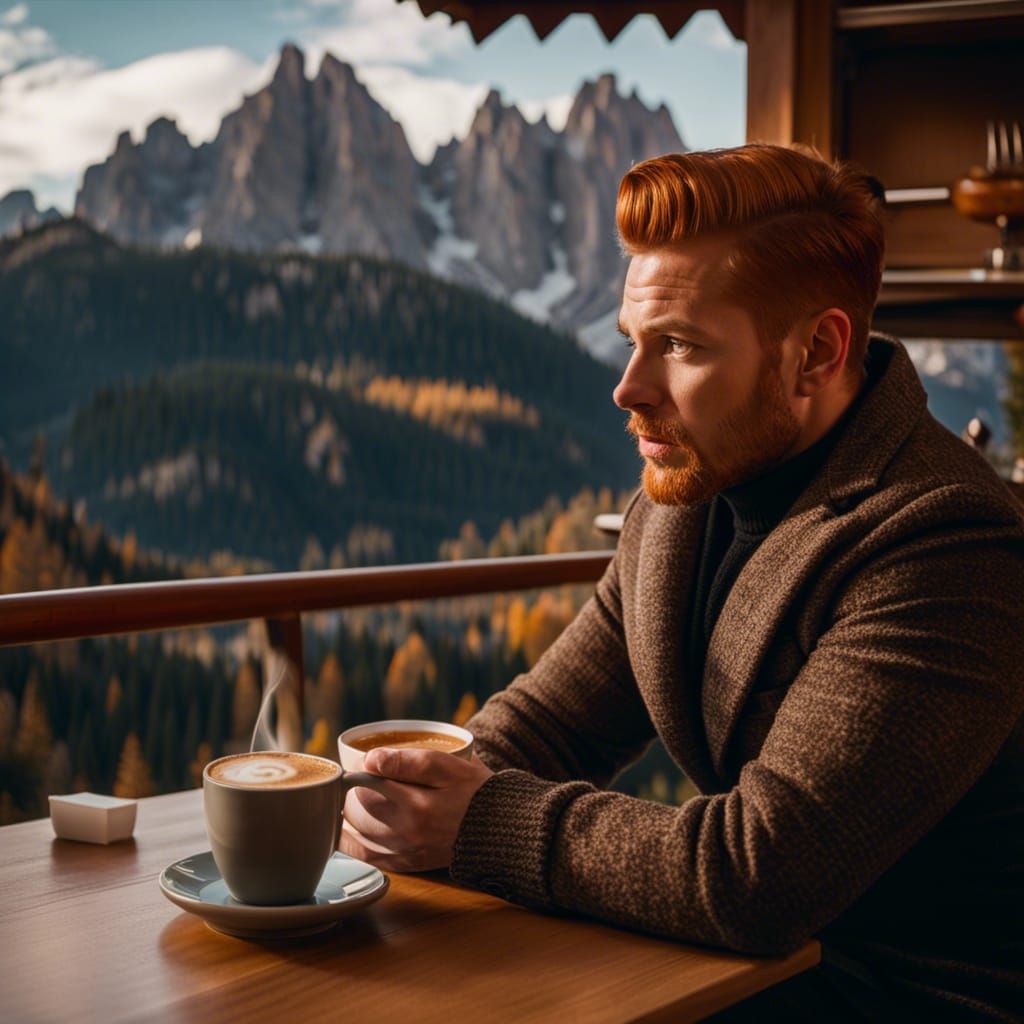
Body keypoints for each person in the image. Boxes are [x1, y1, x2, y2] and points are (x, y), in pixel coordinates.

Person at [340, 144, 1024, 1022]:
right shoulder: (680, 505)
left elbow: (761, 875)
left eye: (679, 345)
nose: (628, 389)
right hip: (759, 970)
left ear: (816, 352)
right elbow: (551, 724)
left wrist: (481, 821)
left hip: (919, 995)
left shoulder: (945, 542)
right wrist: (402, 795)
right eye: (633, 341)